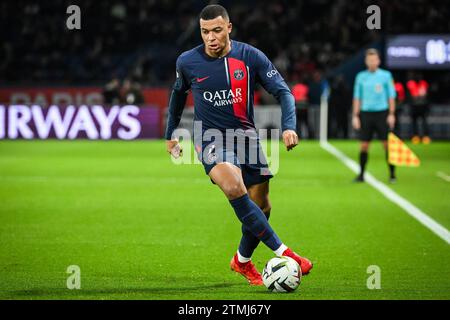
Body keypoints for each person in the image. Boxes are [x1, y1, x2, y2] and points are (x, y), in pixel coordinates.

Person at [164, 5, 312, 286]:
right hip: (209, 139)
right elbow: (177, 96)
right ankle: (287, 253)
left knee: (262, 207)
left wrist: (289, 126)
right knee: (233, 187)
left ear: (229, 28)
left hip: (246, 138)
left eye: (217, 30)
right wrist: (170, 133)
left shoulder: (249, 57)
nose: (211, 37)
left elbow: (284, 92)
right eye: (205, 32)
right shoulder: (187, 61)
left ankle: (241, 261)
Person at [352, 49, 397, 183]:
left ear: (378, 61)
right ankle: (361, 175)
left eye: (374, 60)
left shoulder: (386, 76)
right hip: (366, 114)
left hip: (382, 113)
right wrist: (355, 115)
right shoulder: (360, 76)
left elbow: (391, 96)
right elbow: (357, 97)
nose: (372, 62)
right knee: (364, 145)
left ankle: (392, 174)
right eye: (369, 60)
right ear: (366, 62)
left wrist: (391, 114)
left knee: (387, 145)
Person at [406, 73, 431, 144]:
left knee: (424, 121)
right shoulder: (410, 83)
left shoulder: (424, 83)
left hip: (423, 106)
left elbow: (426, 95)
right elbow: (409, 95)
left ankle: (426, 136)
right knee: (414, 122)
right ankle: (415, 136)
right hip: (414, 106)